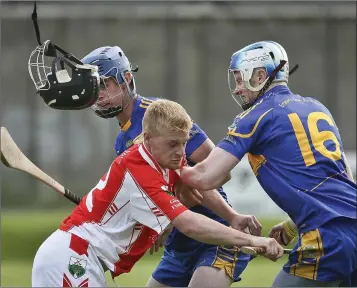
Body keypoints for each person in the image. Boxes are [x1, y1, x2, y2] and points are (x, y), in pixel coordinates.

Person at [31, 99, 283, 287]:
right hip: (72, 257)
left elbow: (194, 185)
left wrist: (232, 216)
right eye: (173, 144)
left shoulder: (162, 161)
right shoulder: (139, 170)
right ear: (148, 139)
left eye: (184, 142)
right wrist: (254, 241)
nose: (181, 152)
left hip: (84, 258)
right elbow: (190, 224)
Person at [179, 40, 357, 287]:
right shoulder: (317, 107)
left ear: (260, 75)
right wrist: (292, 225)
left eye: (241, 79)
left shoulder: (256, 115)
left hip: (326, 236)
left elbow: (206, 176)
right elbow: (344, 183)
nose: (237, 88)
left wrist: (163, 163)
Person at [80, 46, 260, 287]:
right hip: (179, 247)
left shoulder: (160, 115)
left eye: (105, 84)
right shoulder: (122, 142)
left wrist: (175, 206)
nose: (99, 94)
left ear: (126, 79)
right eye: (95, 87)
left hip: (217, 235)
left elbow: (219, 172)